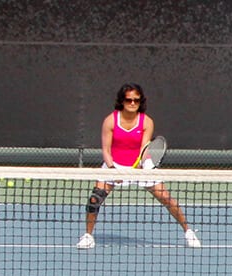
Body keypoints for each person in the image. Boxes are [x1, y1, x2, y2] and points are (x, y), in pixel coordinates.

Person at [75, 83, 200, 249]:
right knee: (94, 199)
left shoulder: (147, 122)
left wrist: (139, 167)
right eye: (128, 100)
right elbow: (106, 150)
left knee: (166, 198)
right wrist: (113, 171)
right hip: (115, 164)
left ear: (141, 102)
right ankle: (88, 236)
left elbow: (144, 149)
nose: (132, 103)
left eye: (136, 100)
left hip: (141, 165)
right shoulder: (110, 121)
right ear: (122, 101)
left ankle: (188, 232)